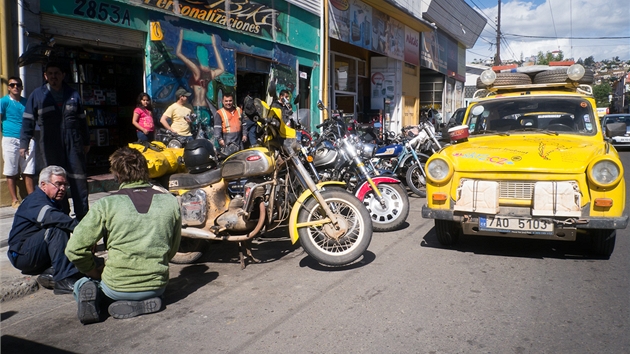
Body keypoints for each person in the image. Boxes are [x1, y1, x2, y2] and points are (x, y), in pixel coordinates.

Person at [66, 147, 181, 324]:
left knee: (82, 284)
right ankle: (144, 301)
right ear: (146, 170)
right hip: (156, 286)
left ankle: (102, 300)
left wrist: (94, 272)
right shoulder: (170, 202)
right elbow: (172, 250)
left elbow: (74, 249)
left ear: (116, 175)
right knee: (153, 288)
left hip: (117, 286)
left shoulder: (106, 204)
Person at [20, 62, 90, 220]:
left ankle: (82, 216)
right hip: (50, 144)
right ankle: (61, 215)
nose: (53, 76)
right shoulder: (37, 95)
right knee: (56, 180)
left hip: (74, 142)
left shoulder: (73, 94)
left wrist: (86, 142)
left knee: (78, 179)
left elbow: (82, 121)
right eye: (50, 73)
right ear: (45, 76)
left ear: (63, 75)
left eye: (57, 73)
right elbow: (28, 121)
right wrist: (24, 143)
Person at [7, 165, 82, 295]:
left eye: (65, 184)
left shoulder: (55, 201)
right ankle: (63, 280)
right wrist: (86, 232)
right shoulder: (36, 201)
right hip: (22, 255)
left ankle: (53, 272)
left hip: (37, 251)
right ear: (43, 185)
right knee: (56, 228)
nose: (63, 188)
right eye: (58, 184)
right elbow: (56, 219)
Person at [176, 29, 225, 140]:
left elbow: (179, 54)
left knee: (196, 135)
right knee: (207, 136)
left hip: (197, 108)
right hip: (203, 108)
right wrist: (214, 46)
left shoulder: (197, 71)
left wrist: (180, 38)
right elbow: (221, 68)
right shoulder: (209, 73)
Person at [1, 76, 35, 208]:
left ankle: (32, 198)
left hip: (27, 138)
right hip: (10, 138)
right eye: (12, 85)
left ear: (22, 87)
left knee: (29, 169)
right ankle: (14, 199)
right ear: (8, 87)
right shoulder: (3, 102)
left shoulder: (27, 102)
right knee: (11, 170)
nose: (16, 87)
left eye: (18, 85)